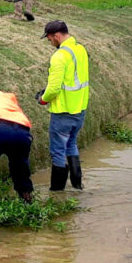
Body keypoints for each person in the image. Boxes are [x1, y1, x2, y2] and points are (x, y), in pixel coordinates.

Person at [36, 20, 89, 191]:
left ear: (57, 35)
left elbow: (53, 89)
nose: (50, 42)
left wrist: (43, 99)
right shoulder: (80, 49)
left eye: (50, 39)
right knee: (71, 143)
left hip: (63, 111)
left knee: (58, 150)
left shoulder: (59, 56)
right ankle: (77, 184)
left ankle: (57, 191)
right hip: (79, 108)